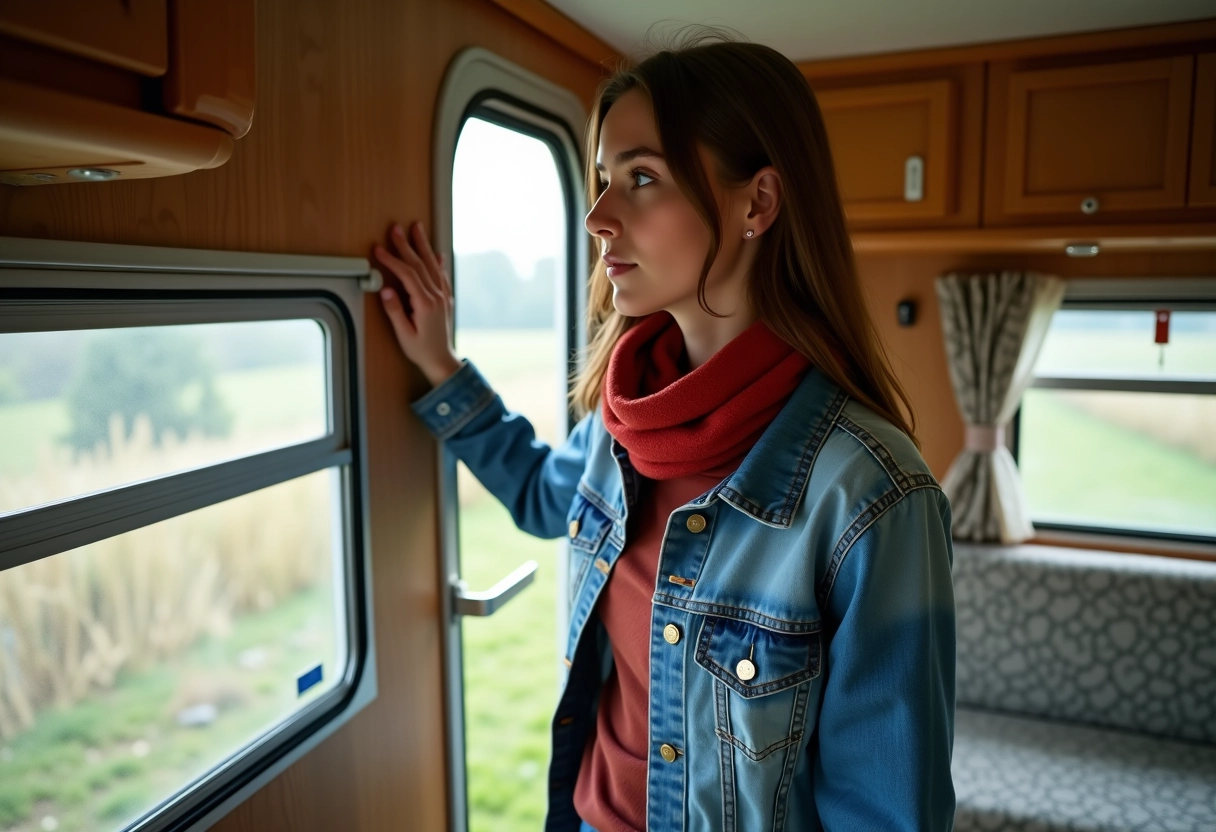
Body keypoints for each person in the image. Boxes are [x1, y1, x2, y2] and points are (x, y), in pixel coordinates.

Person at [374, 29, 956, 832]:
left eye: (642, 178)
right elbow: (546, 499)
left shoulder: (870, 493)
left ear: (757, 203)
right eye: (605, 178)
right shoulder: (623, 420)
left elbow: (887, 813)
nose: (599, 216)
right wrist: (441, 370)